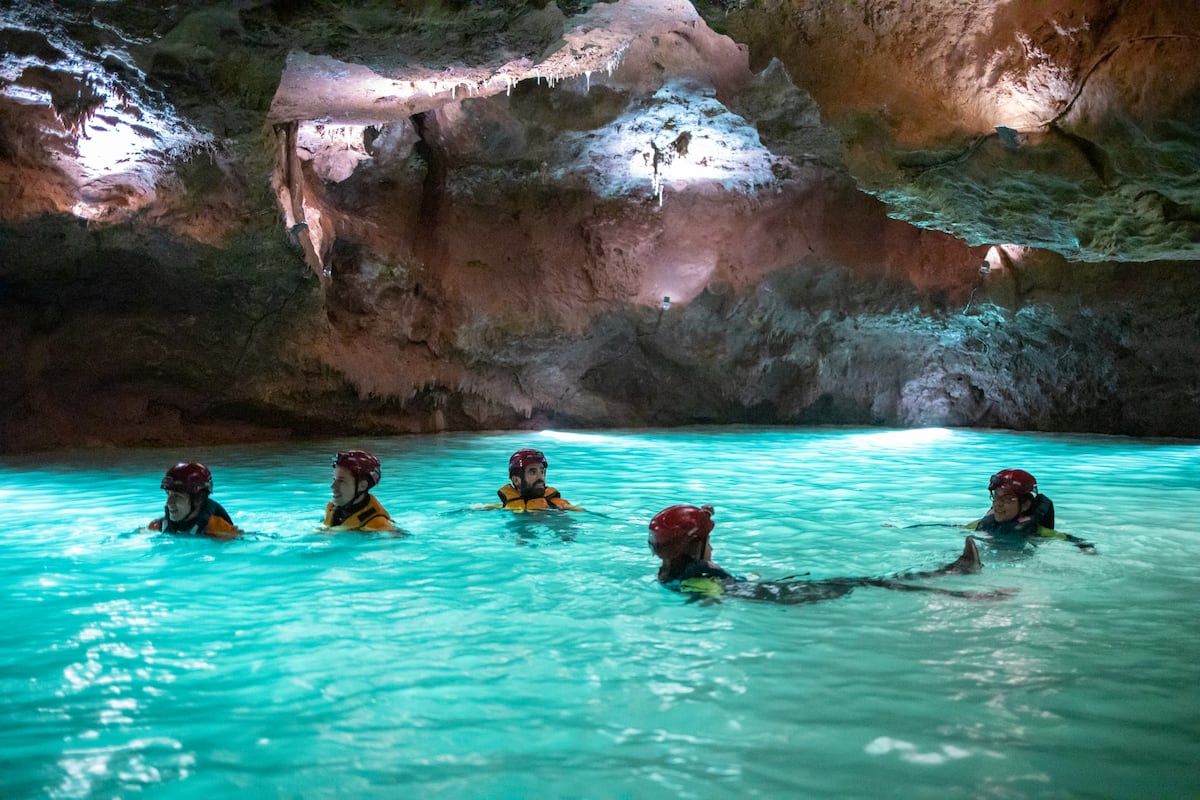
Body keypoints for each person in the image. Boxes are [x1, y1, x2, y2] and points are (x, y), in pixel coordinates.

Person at [648, 504, 1014, 604]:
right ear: (695, 544)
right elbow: (718, 597)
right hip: (781, 599)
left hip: (771, 593)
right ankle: (964, 587)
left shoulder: (673, 572)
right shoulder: (701, 579)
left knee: (868, 582)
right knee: (866, 582)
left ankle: (951, 576)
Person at [968, 469, 1094, 552]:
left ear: (1025, 505)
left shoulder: (1034, 530)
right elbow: (960, 529)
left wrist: (1084, 546)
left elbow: (1066, 538)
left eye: (1007, 499)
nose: (998, 505)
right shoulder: (984, 523)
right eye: (996, 497)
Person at [148, 462, 242, 539]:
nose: (169, 503)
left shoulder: (218, 528)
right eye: (168, 494)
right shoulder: (159, 526)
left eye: (177, 496)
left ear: (198, 499)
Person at [323, 450, 398, 532]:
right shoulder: (332, 508)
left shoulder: (378, 525)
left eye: (341, 481)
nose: (333, 486)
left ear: (362, 486)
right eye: (334, 479)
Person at [489, 448, 583, 511]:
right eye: (532, 472)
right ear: (516, 480)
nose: (540, 477)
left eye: (542, 471)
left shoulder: (560, 506)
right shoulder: (502, 508)